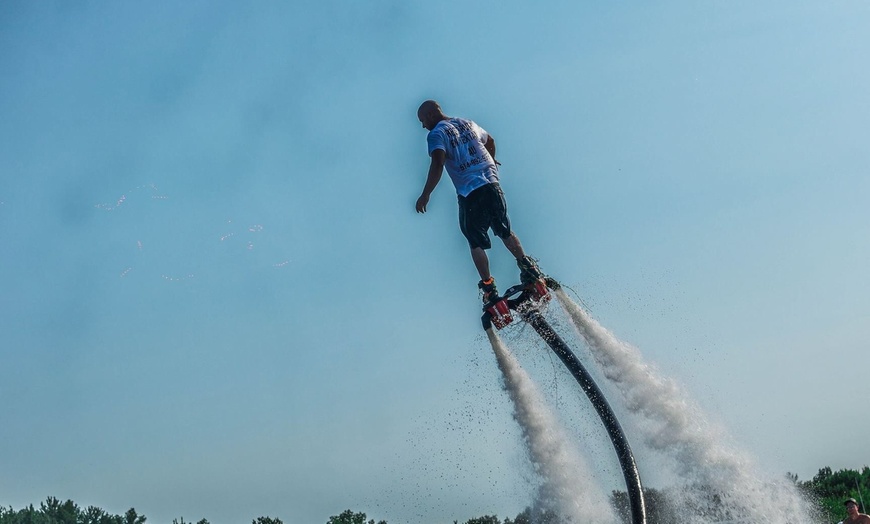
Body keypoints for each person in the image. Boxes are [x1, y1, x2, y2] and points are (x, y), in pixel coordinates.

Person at [415, 99, 544, 304]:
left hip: (469, 192)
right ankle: (529, 269)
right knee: (504, 230)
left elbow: (438, 162)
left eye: (422, 120)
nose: (423, 126)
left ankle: (489, 287)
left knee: (475, 242)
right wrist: (491, 161)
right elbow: (490, 140)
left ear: (431, 115)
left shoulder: (436, 134)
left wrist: (426, 194)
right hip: (492, 185)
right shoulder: (468, 123)